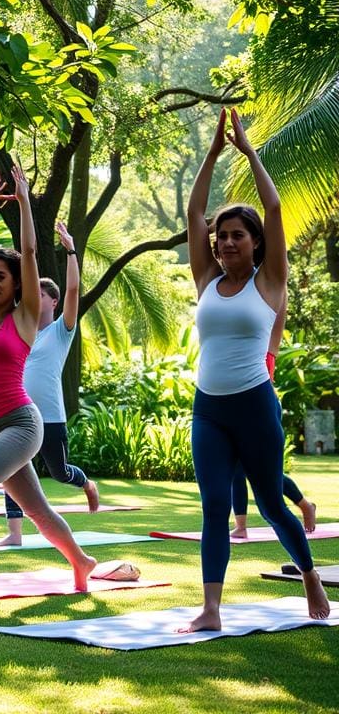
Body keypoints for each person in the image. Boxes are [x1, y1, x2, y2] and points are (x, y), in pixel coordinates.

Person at [181, 107, 329, 631]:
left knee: (270, 502)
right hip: (208, 408)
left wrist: (248, 150)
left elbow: (273, 206)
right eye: (220, 237)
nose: (224, 243)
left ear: (255, 243)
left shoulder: (270, 282)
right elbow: (195, 211)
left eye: (235, 236)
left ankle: (309, 574)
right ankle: (212, 609)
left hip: (254, 405)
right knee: (214, 505)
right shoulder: (205, 279)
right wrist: (212, 153)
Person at [0, 165, 97, 603]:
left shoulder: (25, 318)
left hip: (20, 424)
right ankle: (81, 562)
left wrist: (25, 202)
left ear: (15, 286)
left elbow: (29, 253)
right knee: (36, 509)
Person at [0, 221, 99, 546]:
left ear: (52, 302)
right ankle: (14, 534)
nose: (33, 298)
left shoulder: (61, 330)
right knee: (11, 470)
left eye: (40, 294)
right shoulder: (20, 331)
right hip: (19, 414)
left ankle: (85, 484)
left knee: (59, 472)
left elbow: (72, 290)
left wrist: (69, 248)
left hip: (51, 416)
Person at [230, 299, 316, 537]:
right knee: (237, 468)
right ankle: (241, 525)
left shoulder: (265, 346)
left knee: (264, 471)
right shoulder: (232, 346)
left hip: (262, 407)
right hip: (235, 407)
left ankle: (304, 505)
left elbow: (279, 306)